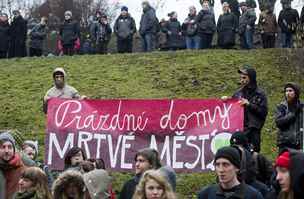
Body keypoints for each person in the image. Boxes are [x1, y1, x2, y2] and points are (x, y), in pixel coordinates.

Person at [197, 146, 263, 199]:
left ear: (237, 168)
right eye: (217, 165)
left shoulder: (253, 196)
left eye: (225, 164)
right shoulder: (205, 194)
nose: (221, 170)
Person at [231, 65, 268, 152]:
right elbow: (230, 110)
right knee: (238, 155)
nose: (242, 80)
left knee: (253, 157)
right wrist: (225, 101)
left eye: (244, 77)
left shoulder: (260, 94)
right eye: (241, 78)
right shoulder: (237, 93)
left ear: (251, 78)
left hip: (253, 132)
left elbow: (263, 112)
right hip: (239, 130)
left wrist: (249, 104)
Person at [275, 82, 303, 153]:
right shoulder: (282, 107)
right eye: (286, 91)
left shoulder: (302, 107)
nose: (287, 93)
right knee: (283, 163)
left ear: (296, 92)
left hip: (300, 143)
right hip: (285, 143)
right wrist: (293, 114)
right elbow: (279, 123)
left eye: (290, 91)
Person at [0, 132, 27, 199]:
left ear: (14, 149)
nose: (6, 151)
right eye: (3, 147)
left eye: (10, 147)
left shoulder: (24, 171)